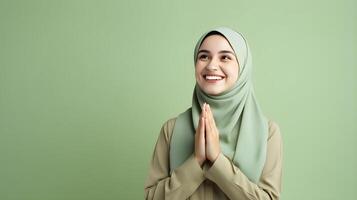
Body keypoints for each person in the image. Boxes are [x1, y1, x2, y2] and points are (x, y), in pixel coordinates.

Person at [144, 27, 283, 200]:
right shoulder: (171, 129)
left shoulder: (267, 132)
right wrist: (196, 161)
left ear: (243, 66)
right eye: (204, 56)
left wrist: (218, 161)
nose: (211, 65)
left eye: (225, 57)